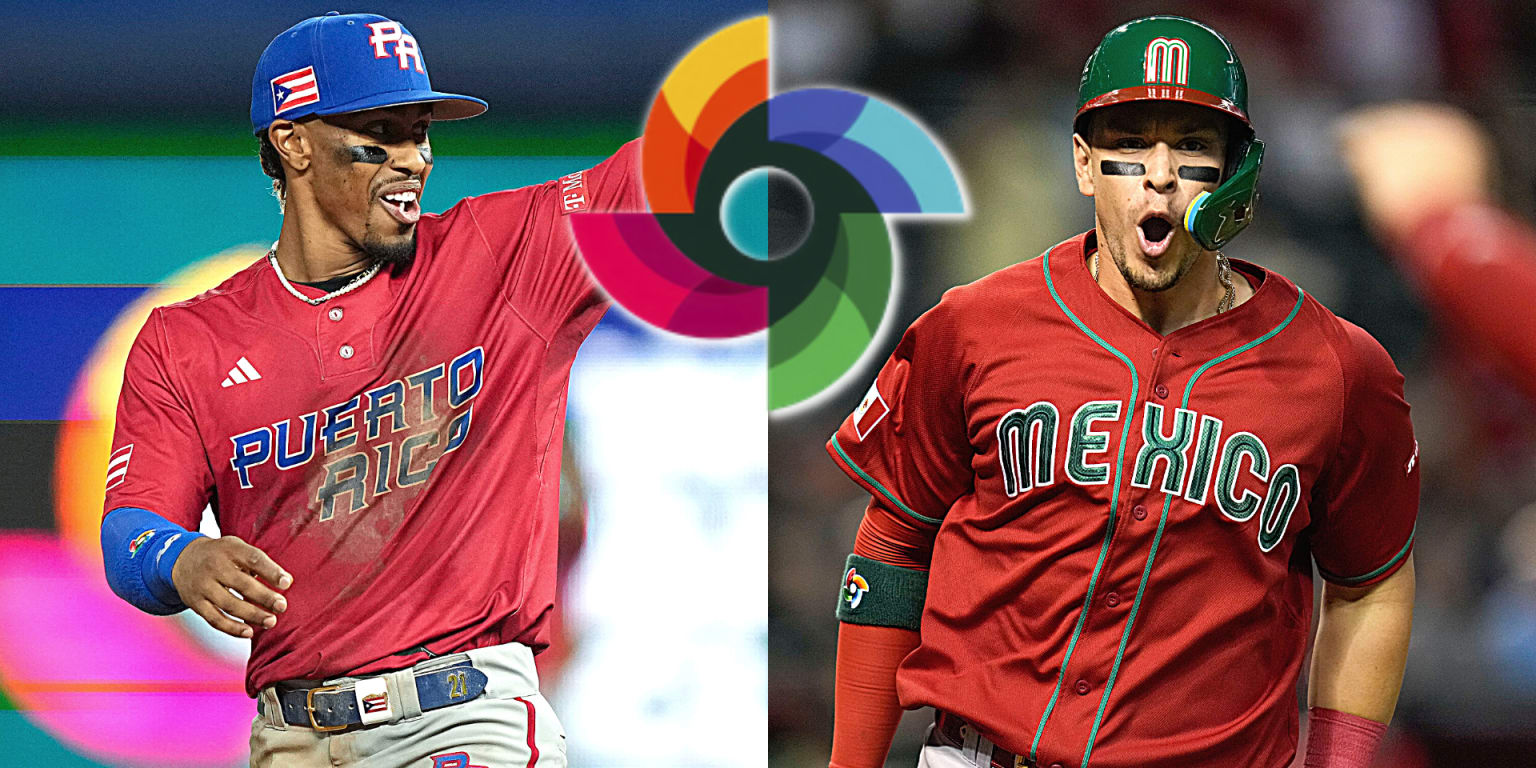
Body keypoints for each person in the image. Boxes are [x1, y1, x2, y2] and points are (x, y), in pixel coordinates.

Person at [824, 16, 1417, 768]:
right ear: (1082, 163)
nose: (1160, 173)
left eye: (1193, 146)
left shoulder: (1336, 368)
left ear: (1238, 171)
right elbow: (893, 543)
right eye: (1129, 144)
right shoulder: (974, 326)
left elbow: (1371, 583)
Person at [97, 12, 641, 766]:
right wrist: (180, 560)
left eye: (421, 132)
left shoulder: (504, 257)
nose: (415, 158)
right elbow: (131, 535)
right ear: (291, 142)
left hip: (461, 718)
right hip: (291, 735)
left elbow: (669, 168)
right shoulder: (189, 342)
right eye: (382, 132)